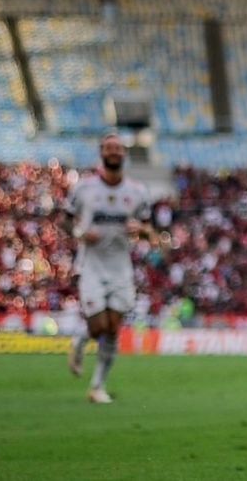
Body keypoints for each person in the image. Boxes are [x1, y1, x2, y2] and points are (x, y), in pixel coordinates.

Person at [63, 134, 152, 404]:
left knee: (113, 328)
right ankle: (79, 343)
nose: (114, 152)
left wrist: (143, 230)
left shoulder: (137, 192)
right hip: (91, 265)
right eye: (109, 148)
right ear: (101, 152)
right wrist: (80, 232)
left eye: (118, 148)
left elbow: (151, 231)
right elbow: (66, 221)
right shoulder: (84, 188)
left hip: (121, 268)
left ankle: (97, 386)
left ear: (124, 154)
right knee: (99, 325)